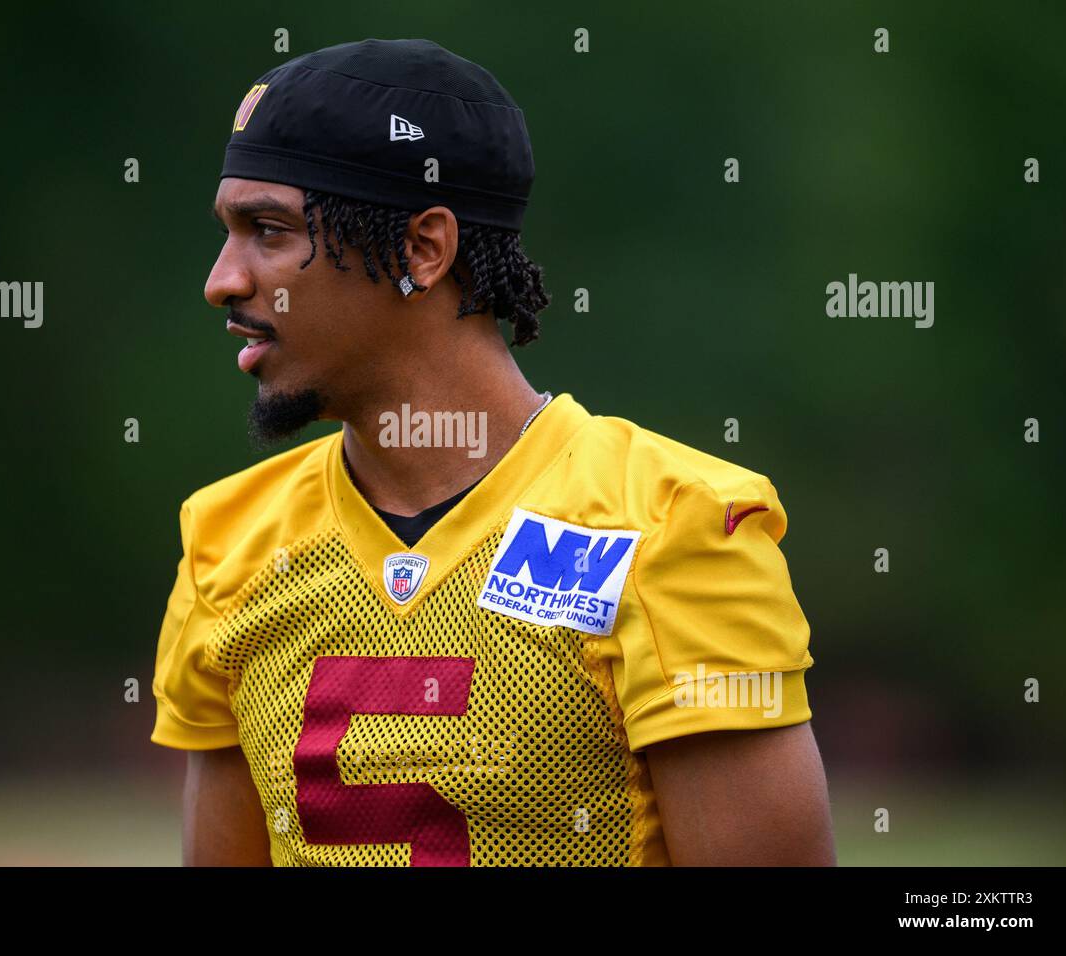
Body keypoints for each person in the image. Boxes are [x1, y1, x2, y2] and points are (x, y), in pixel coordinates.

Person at [150, 37, 834, 866]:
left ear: (422, 250)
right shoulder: (227, 543)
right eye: (228, 232)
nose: (222, 279)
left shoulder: (674, 526)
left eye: (268, 230)